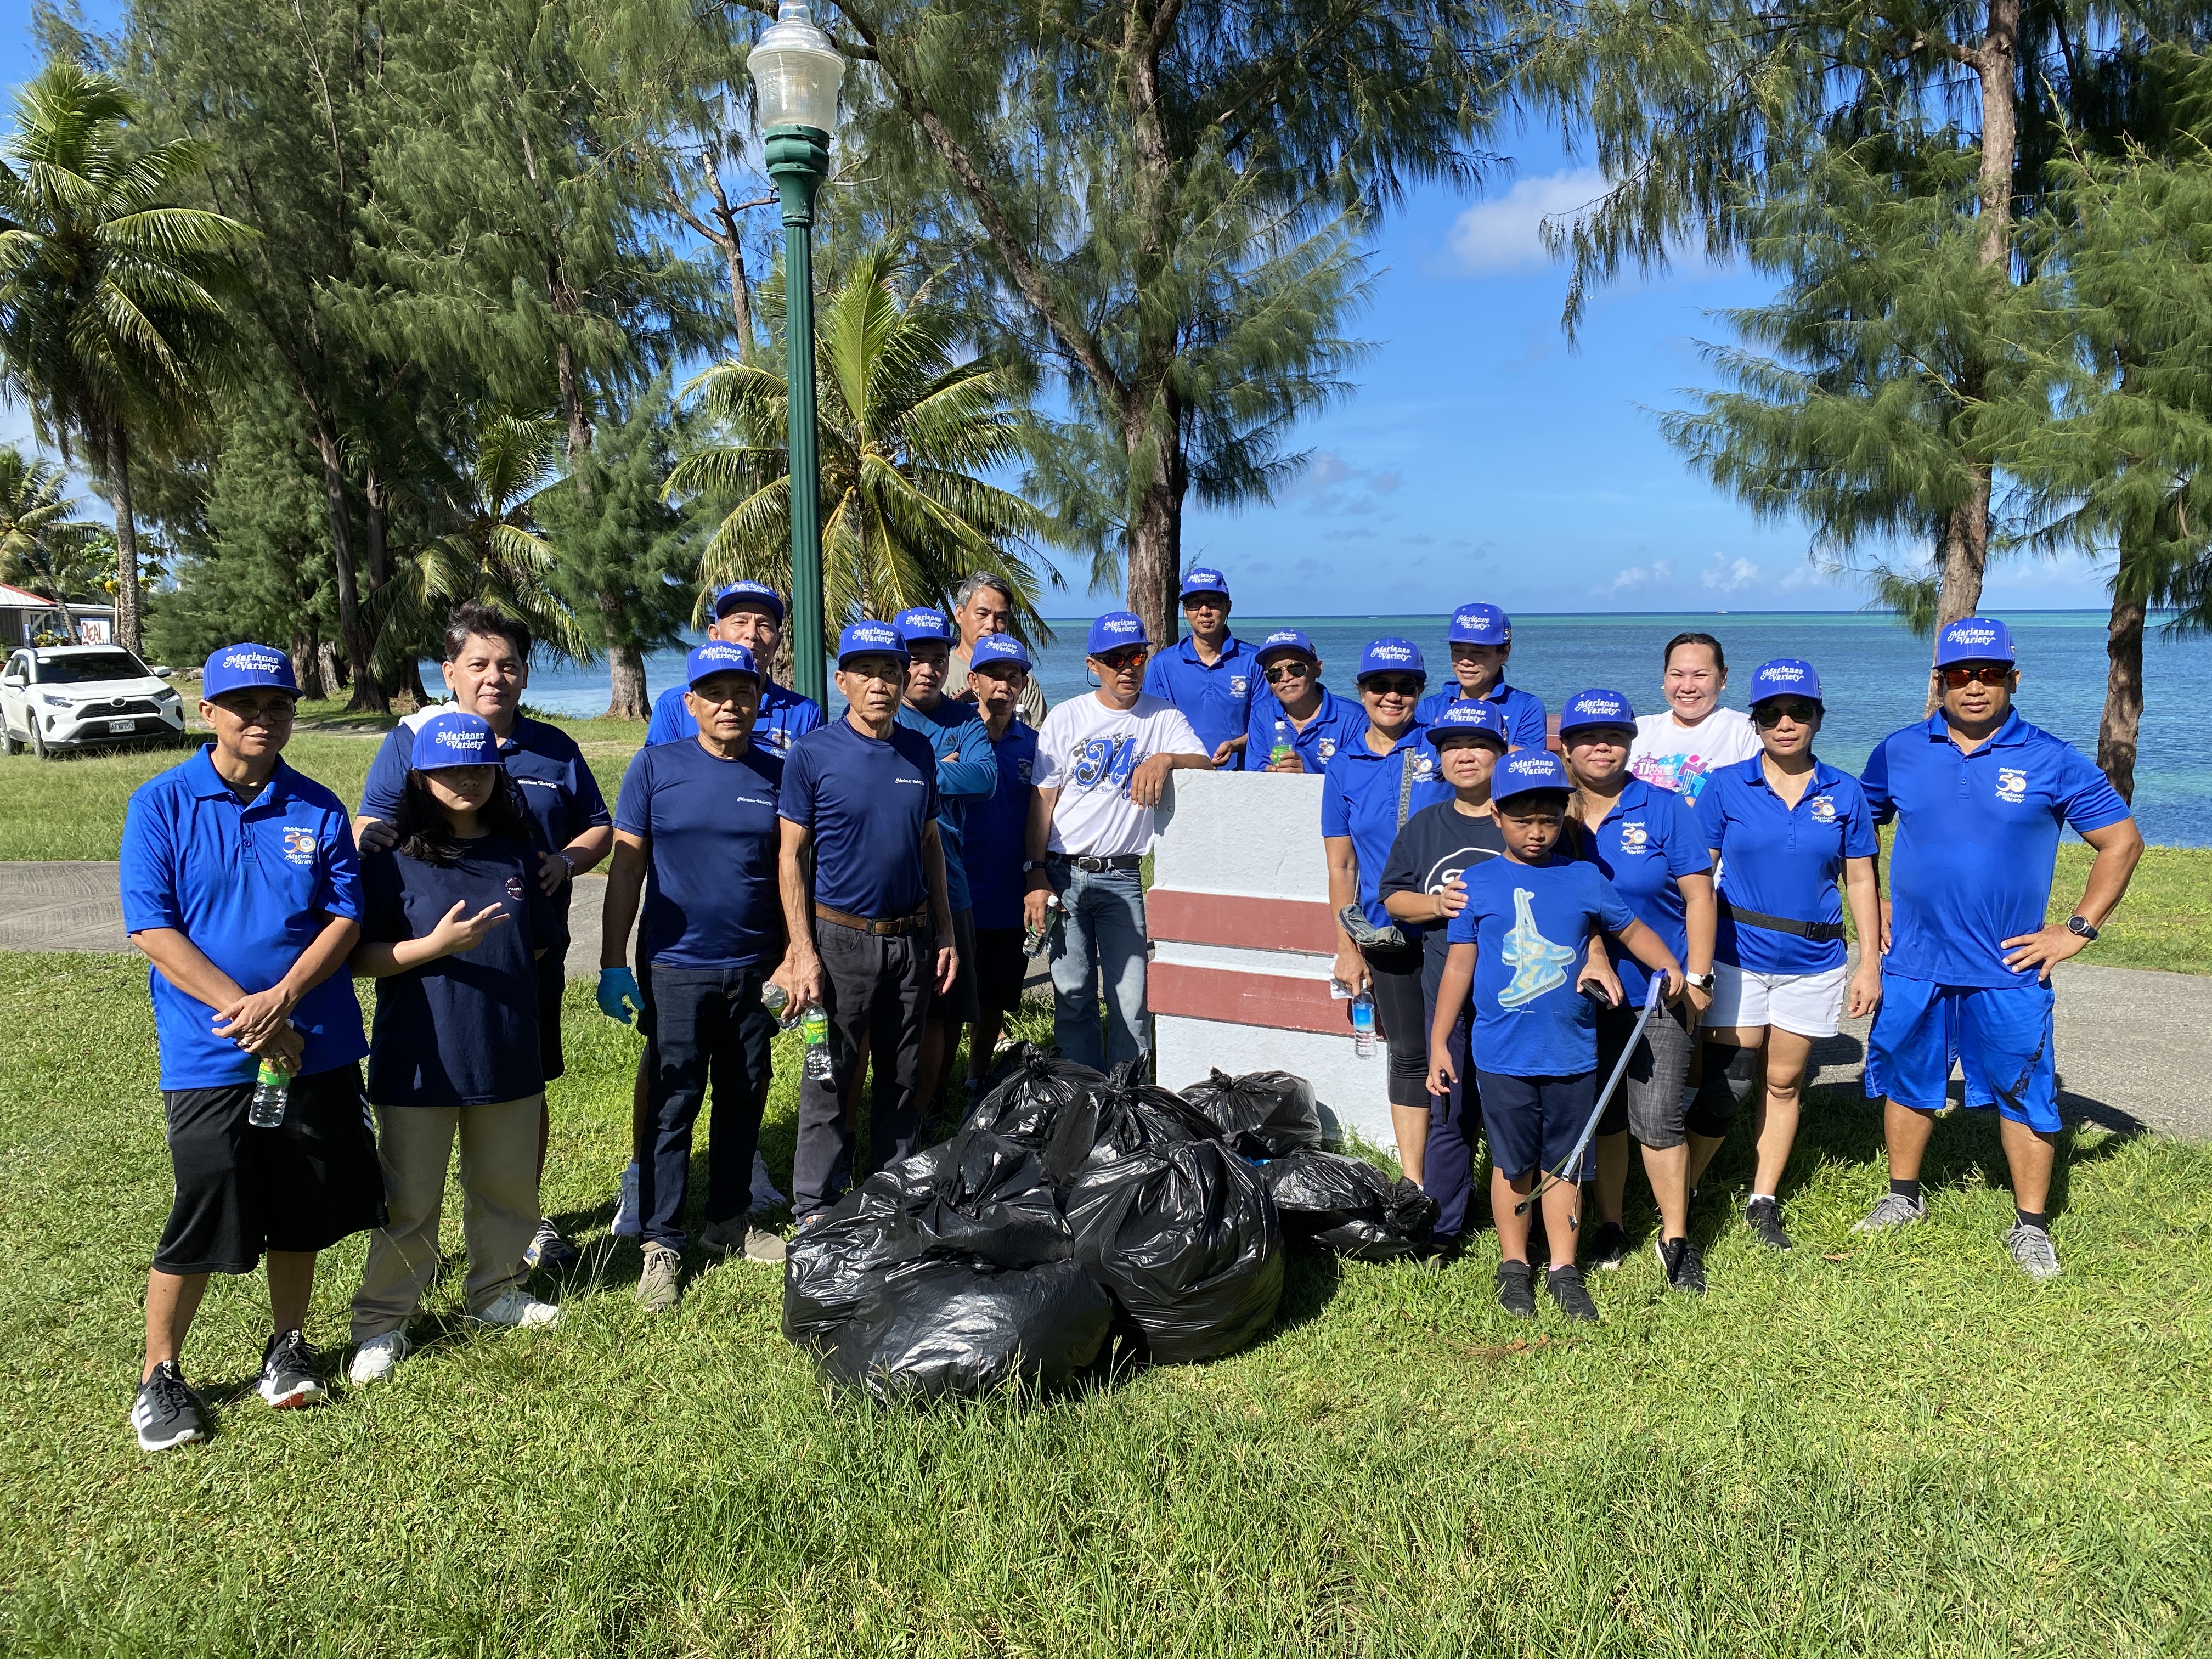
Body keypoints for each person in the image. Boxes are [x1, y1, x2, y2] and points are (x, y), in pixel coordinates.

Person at [119, 643, 383, 1451]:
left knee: (301, 1198)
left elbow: (346, 916)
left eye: (278, 706)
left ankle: (288, 1345)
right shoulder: (162, 803)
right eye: (244, 706)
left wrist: (287, 1002)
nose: (263, 719)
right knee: (209, 1196)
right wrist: (253, 1014)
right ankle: (159, 1375)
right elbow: (151, 927)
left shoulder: (319, 805)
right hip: (213, 1054)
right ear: (209, 714)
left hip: (318, 1043)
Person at [1855, 617, 2141, 1279]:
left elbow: (2121, 842)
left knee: (2025, 1089)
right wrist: (1873, 906)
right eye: (1961, 674)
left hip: (2007, 965)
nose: (1975, 686)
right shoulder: (1898, 751)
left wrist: (2076, 930)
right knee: (1907, 1077)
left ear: (2013, 679)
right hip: (1915, 959)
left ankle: (2032, 1225)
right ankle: (1903, 1197)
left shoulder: (2051, 757)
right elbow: (1855, 833)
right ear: (1941, 682)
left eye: (1989, 674)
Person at [354, 605, 612, 1271]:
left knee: (522, 1084)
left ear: (525, 674)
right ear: (450, 673)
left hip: (525, 949)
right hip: (430, 968)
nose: (494, 677)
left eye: (508, 665)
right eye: (479, 665)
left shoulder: (554, 747)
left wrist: (567, 861)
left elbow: (597, 828)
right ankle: (420, 1245)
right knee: (428, 1100)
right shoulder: (411, 740)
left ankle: (519, 1219)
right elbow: (376, 832)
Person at [1427, 750, 1683, 1324]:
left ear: (1565, 817)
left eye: (1549, 819)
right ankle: (1514, 1263)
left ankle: (1564, 1268)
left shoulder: (1585, 877)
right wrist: (1441, 1041)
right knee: (1512, 1164)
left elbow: (1632, 929)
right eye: (1523, 820)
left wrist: (1672, 969)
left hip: (1572, 1053)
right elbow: (1459, 969)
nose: (1537, 832)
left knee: (1564, 1164)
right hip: (1501, 1054)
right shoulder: (1477, 885)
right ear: (1497, 816)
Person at [347, 711, 565, 1383]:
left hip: (506, 1045)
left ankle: (496, 1290)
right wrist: (433, 948)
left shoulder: (517, 849)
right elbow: (357, 956)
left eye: (478, 768)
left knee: (505, 1188)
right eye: (448, 770)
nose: (465, 781)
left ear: (498, 774)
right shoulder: (389, 854)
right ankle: (383, 1322)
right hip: (421, 1052)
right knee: (410, 1201)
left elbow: (536, 942)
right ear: (420, 775)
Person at [1686, 659, 1883, 1252]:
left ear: (1818, 718)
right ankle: (1685, 1192)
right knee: (1732, 1079)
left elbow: (1862, 882)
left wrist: (1869, 961)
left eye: (1799, 711)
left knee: (1785, 1080)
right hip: (1736, 953)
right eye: (1771, 713)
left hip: (1815, 959)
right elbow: (1699, 876)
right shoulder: (1725, 785)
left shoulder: (1844, 790)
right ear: (1756, 722)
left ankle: (1762, 1199)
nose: (1786, 723)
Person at [779, 622, 960, 1224]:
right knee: (829, 1073)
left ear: (905, 679)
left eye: (890, 672)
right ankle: (816, 1205)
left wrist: (946, 931)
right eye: (866, 673)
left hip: (911, 940)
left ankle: (892, 1191)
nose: (879, 684)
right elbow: (790, 856)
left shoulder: (918, 751)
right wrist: (802, 951)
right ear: (843, 681)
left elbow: (930, 842)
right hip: (839, 941)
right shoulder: (812, 754)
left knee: (904, 1075)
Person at [1556, 689, 1718, 1293]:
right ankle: (1614, 1224)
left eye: (1615, 736)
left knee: (1658, 1117)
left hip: (1659, 991)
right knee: (1604, 1117)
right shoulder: (1551, 813)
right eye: (1588, 737)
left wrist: (1697, 979)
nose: (1602, 747)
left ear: (1630, 743)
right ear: (1566, 748)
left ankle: (1676, 1237)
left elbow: (1699, 895)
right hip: (1576, 996)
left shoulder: (1666, 807)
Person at [1025, 612, 1213, 1070]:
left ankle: (1129, 1101)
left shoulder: (1162, 716)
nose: (1127, 667)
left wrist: (1166, 759)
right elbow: (1042, 802)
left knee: (1131, 1001)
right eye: (1114, 659)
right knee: (1073, 998)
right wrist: (1033, 873)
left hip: (1122, 877)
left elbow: (1206, 768)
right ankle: (1082, 1099)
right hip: (1063, 874)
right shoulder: (1067, 718)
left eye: (1136, 656)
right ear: (1094, 665)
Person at [1378, 701, 1511, 1246]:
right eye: (1452, 746)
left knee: (1514, 1115)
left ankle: (1523, 1227)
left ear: (1501, 754)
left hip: (1517, 1002)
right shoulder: (1426, 825)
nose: (1464, 756)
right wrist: (1437, 904)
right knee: (1449, 1115)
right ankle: (1444, 1230)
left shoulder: (1524, 818)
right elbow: (1393, 899)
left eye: (1478, 745)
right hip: (1448, 1003)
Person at [1322, 638, 1449, 1178]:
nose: (1392, 696)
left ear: (1422, 691)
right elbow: (1342, 869)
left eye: (1405, 686)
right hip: (1384, 935)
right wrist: (1346, 948)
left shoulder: (1442, 749)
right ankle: (1415, 1181)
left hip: (1451, 929)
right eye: (1380, 686)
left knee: (1462, 1048)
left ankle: (1458, 1169)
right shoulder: (1344, 766)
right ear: (1361, 692)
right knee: (1407, 1054)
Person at [893, 606, 998, 1115]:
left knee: (945, 1005)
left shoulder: (964, 718)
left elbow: (985, 779)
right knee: (883, 1012)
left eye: (937, 659)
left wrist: (922, 771)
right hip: (887, 885)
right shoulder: (881, 713)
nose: (928, 669)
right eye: (916, 659)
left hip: (950, 883)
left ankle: (929, 1106)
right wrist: (937, 766)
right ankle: (885, 1111)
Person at [960, 633, 1041, 1094]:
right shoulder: (955, 736)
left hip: (1010, 890)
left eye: (1014, 677)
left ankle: (975, 1080)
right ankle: (928, 1092)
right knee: (946, 999)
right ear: (974, 681)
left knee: (995, 996)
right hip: (958, 889)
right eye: (994, 675)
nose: (1004, 685)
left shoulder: (1033, 745)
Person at [642, 580, 826, 757]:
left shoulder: (805, 713)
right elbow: (659, 774)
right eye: (740, 622)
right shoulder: (675, 706)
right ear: (715, 635)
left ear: (777, 643)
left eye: (764, 625)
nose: (752, 634)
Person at [1628, 631, 1760, 806]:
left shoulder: (1747, 731)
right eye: (1677, 675)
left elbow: (1754, 803)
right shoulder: (1636, 729)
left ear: (1723, 677)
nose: (1688, 687)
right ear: (1665, 676)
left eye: (1700, 676)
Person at [1142, 567, 1255, 770]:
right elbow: (1153, 727)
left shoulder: (1254, 660)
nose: (1204, 611)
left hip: (1243, 776)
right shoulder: (1163, 664)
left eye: (1213, 601)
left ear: (1228, 607)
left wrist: (1234, 745)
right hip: (1182, 776)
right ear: (1185, 612)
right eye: (1194, 604)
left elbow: (1269, 722)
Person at [1412, 602, 1548, 750]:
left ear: (1504, 653)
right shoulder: (1429, 707)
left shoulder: (1526, 707)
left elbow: (1527, 764)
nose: (1466, 661)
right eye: (1458, 651)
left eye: (1479, 652)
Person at [1243, 629, 1368, 774]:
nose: (1286, 678)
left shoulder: (1355, 719)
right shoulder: (1262, 713)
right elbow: (1256, 771)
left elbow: (1359, 779)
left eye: (1296, 669)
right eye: (1274, 674)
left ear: (1317, 669)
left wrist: (1304, 776)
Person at [943, 571, 1047, 725]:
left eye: (1000, 618)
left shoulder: (1023, 682)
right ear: (959, 614)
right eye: (982, 614)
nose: (991, 625)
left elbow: (1040, 740)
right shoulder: (939, 672)